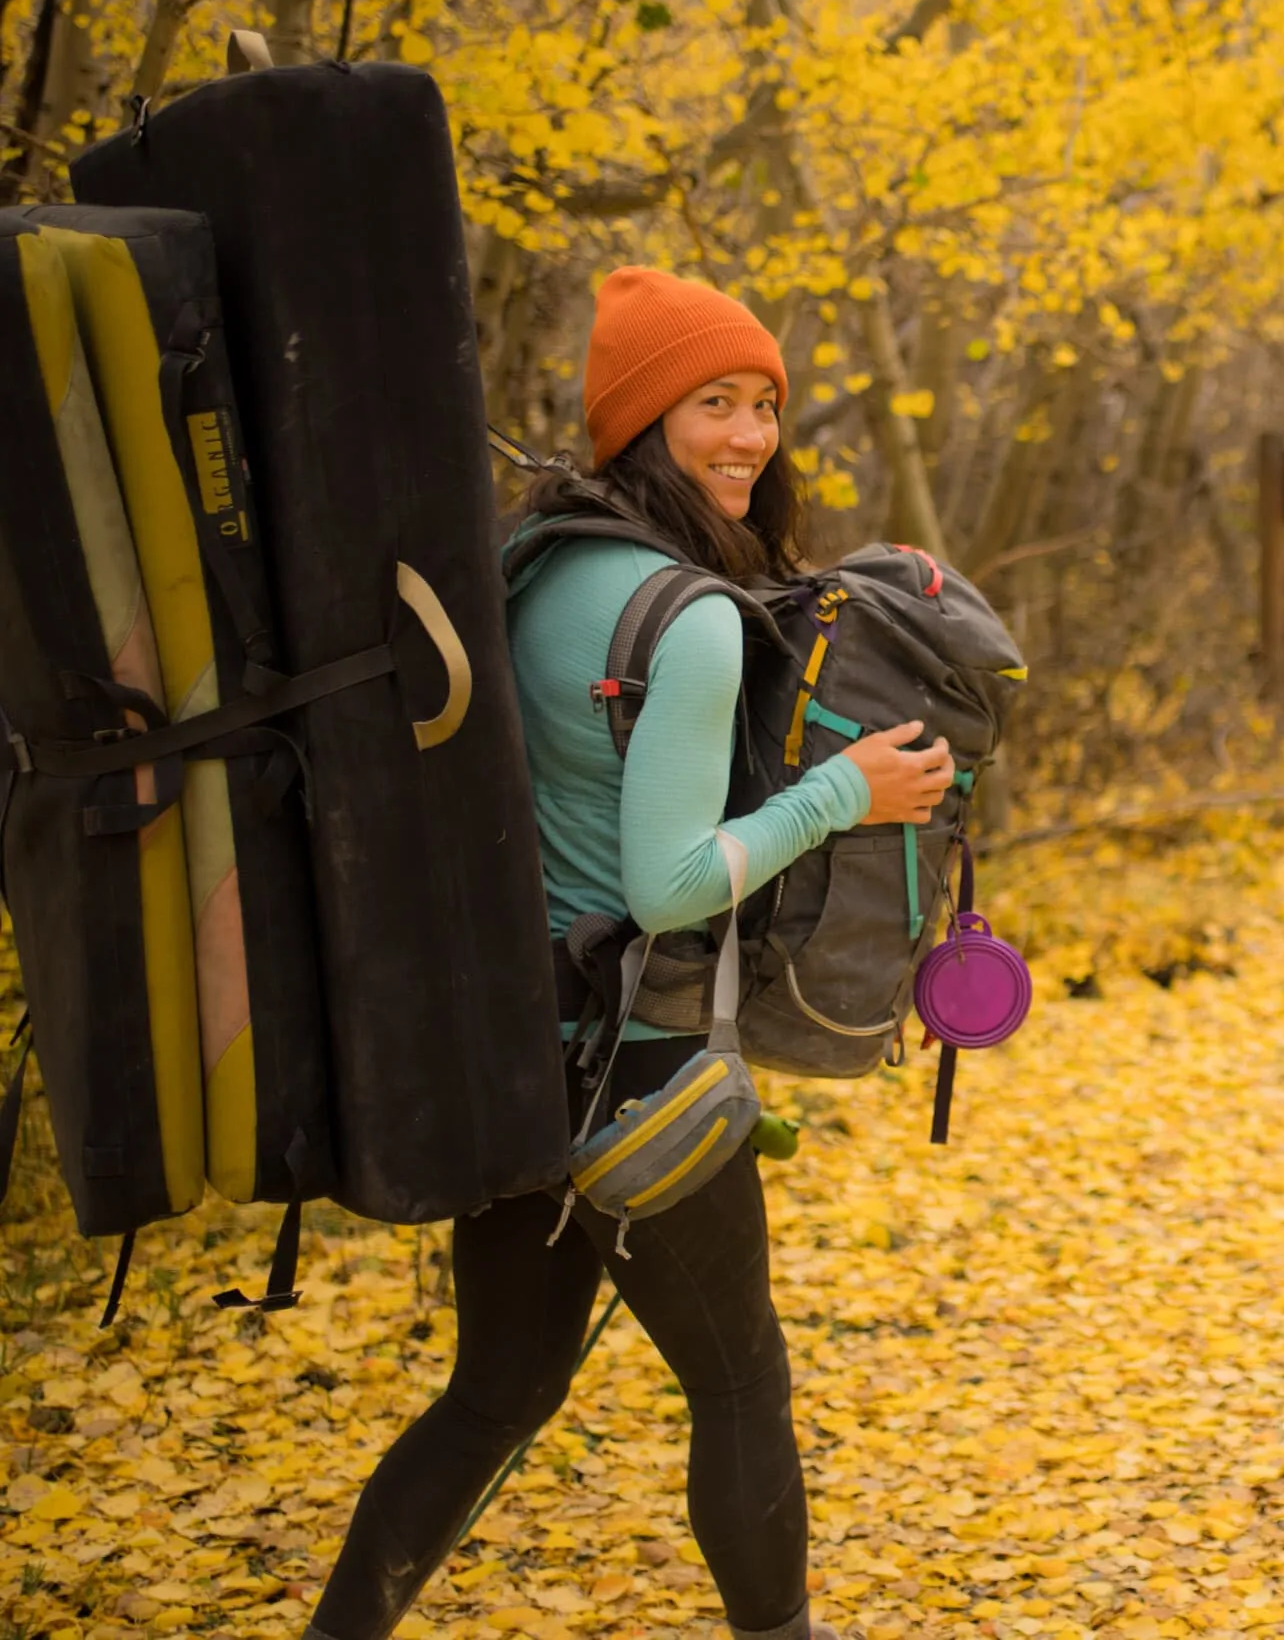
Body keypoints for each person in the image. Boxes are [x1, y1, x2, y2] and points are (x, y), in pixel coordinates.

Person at [309, 268, 956, 1640]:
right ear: (638, 416)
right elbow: (668, 885)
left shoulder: (529, 564)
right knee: (741, 1384)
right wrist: (852, 794)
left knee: (499, 1389)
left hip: (512, 1060)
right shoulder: (694, 619)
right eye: (710, 401)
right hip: (643, 1067)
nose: (746, 435)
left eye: (764, 404)